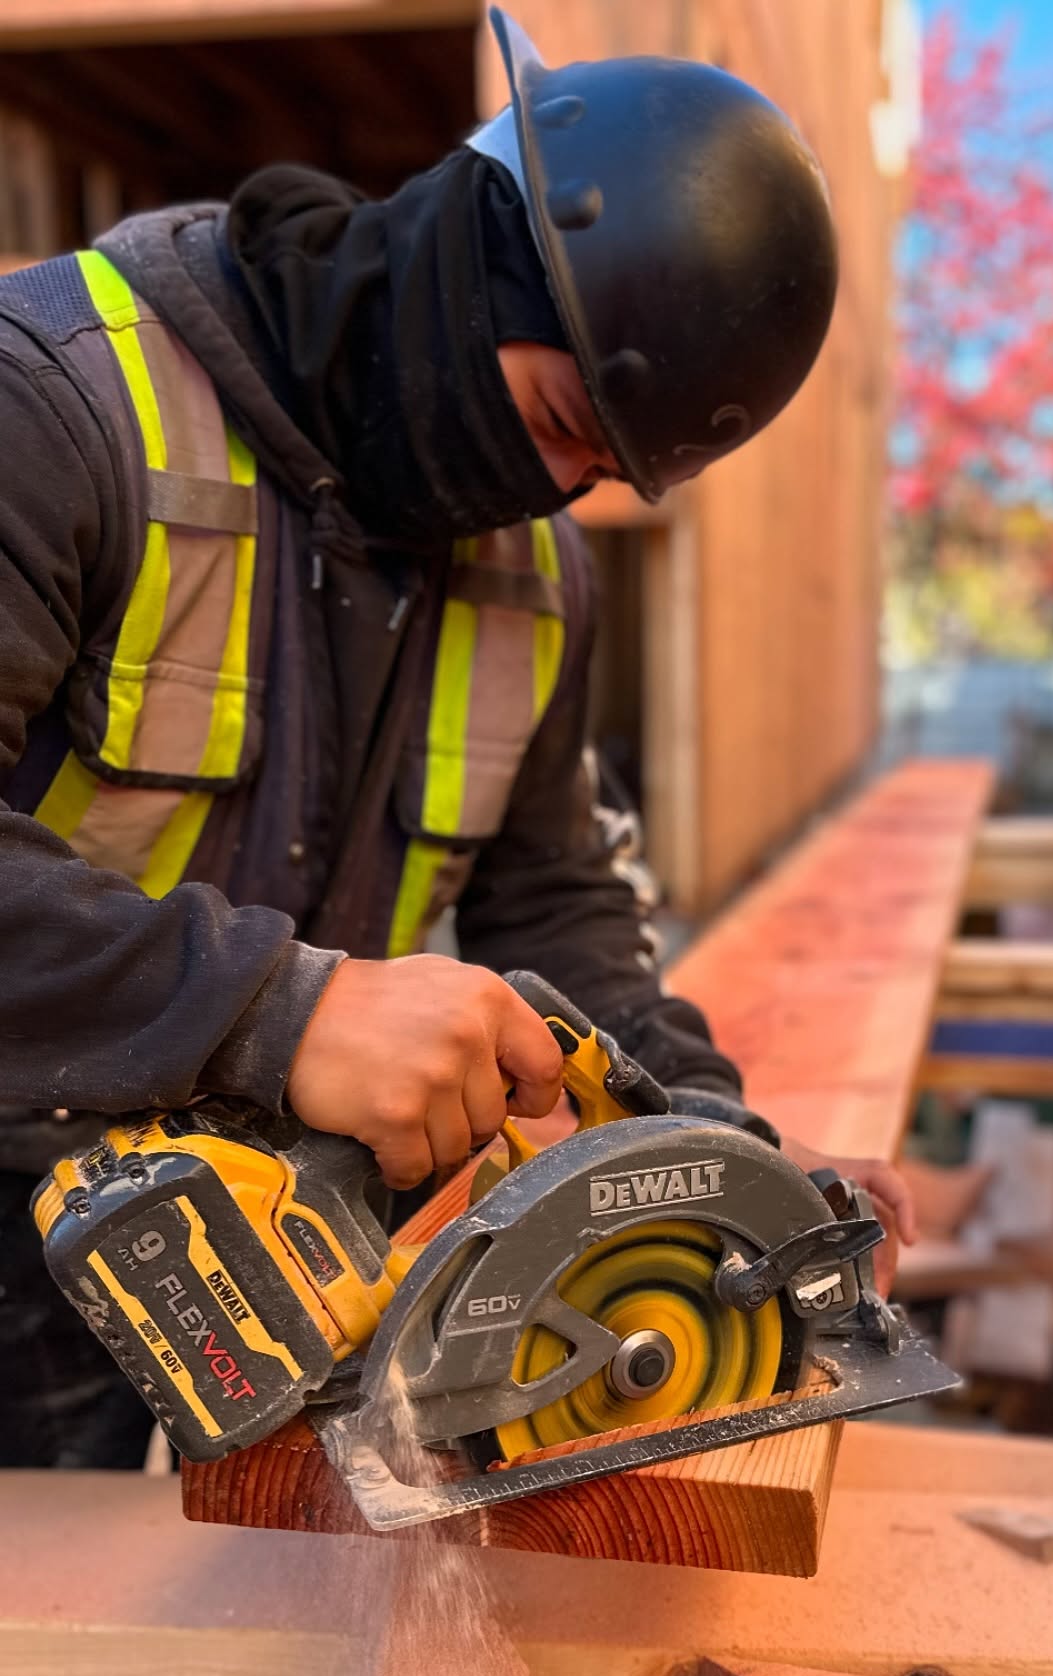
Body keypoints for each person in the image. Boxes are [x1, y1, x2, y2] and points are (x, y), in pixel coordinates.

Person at [0, 8, 913, 1468]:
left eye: (599, 471)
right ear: (468, 252)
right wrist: (276, 1014)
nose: (540, 493)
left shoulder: (538, 582)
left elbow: (551, 897)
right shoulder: (56, 402)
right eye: (554, 414)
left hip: (187, 1260)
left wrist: (712, 1159)